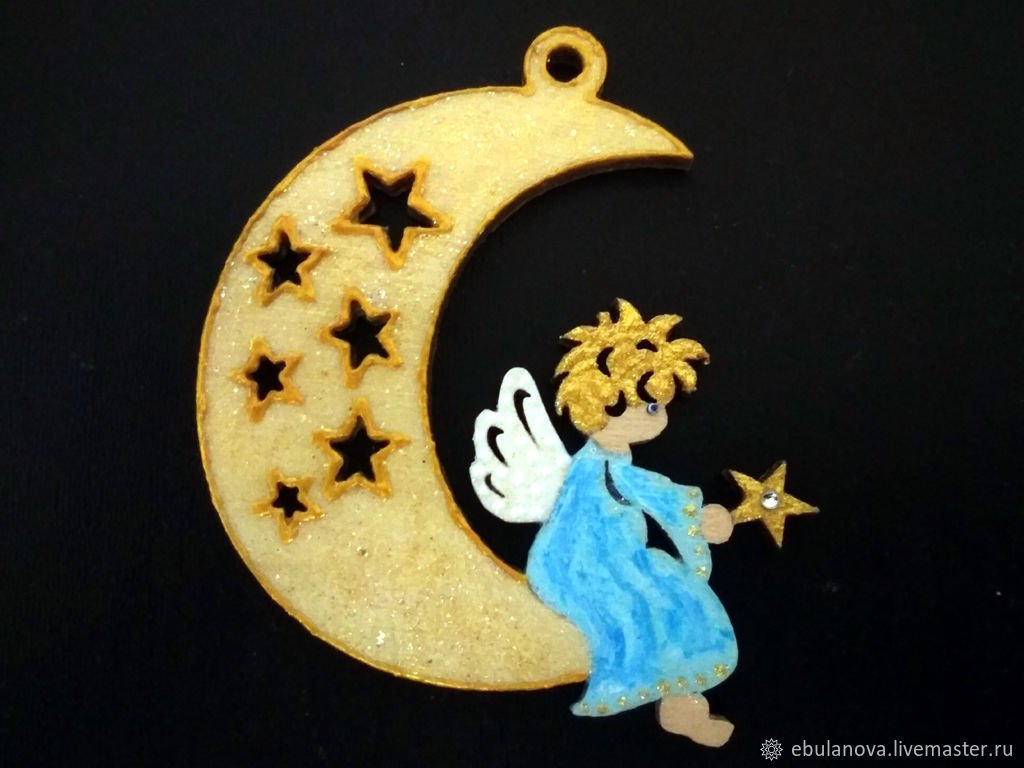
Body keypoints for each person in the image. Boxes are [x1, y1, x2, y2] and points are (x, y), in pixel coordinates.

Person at [525, 299, 738, 746]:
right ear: (605, 404)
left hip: (587, 559)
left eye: (658, 406)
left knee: (662, 599)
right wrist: (700, 520)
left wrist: (695, 518)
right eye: (651, 407)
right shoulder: (607, 465)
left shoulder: (599, 459)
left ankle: (681, 707)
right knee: (664, 603)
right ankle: (678, 705)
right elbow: (657, 496)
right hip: (591, 566)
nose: (659, 417)